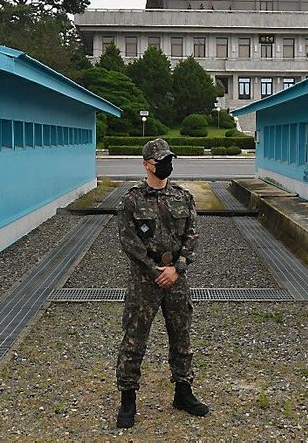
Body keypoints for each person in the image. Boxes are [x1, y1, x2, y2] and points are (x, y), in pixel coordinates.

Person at [115, 139, 209, 428]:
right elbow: (128, 240)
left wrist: (178, 268)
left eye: (168, 158)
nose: (166, 164)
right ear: (146, 164)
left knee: (181, 337)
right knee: (134, 339)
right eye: (160, 160)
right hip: (146, 280)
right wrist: (155, 269)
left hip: (176, 278)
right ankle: (128, 398)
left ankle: (183, 392)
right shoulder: (131, 200)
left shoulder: (183, 197)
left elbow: (192, 234)